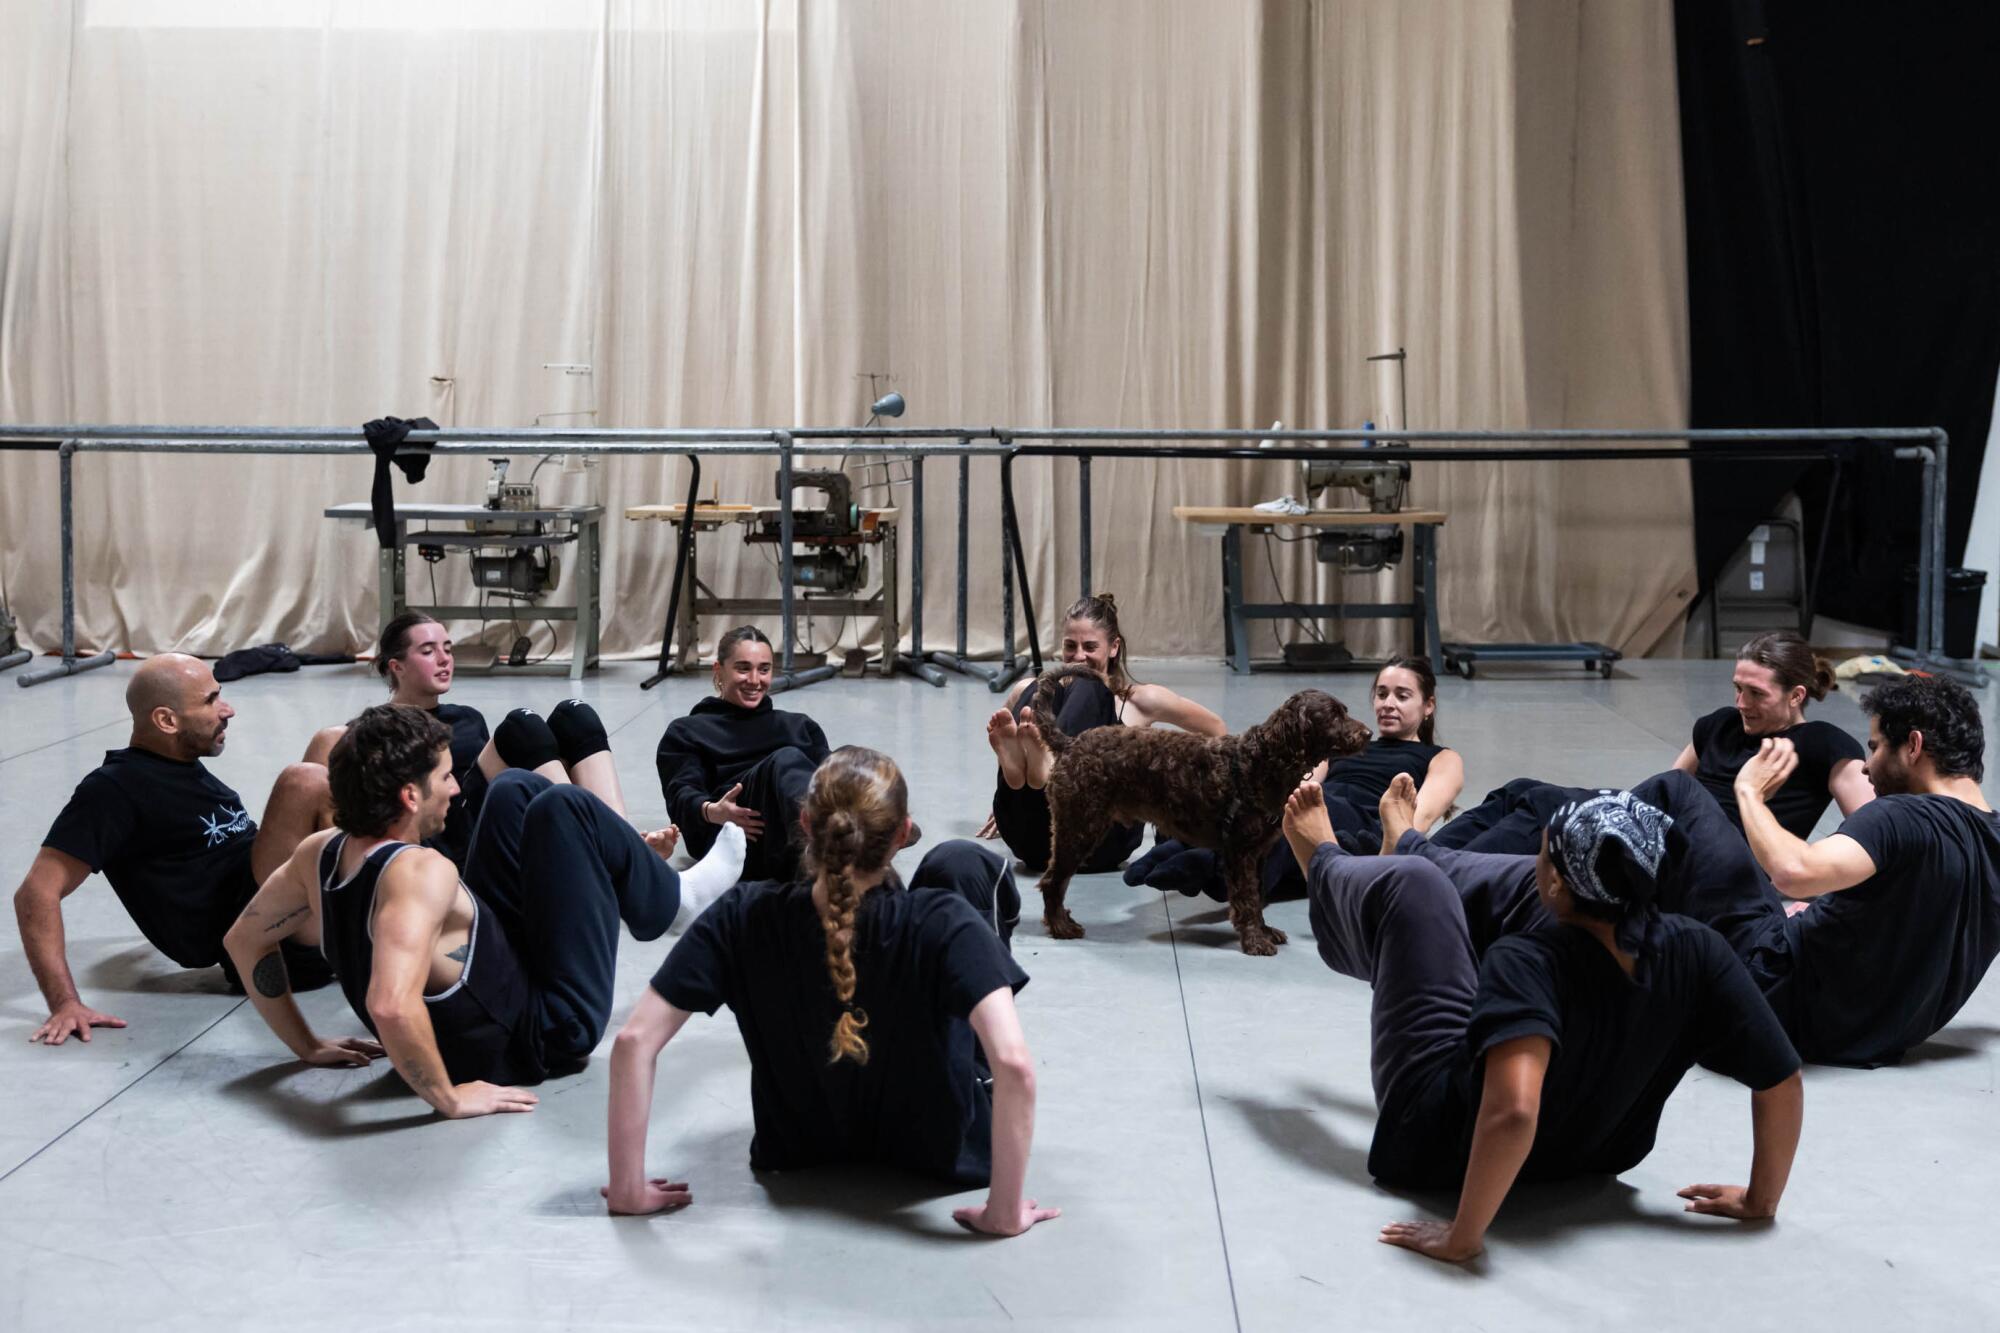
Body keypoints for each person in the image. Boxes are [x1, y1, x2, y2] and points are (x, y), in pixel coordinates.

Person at [1285, 777, 1802, 1264]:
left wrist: (1463, 1237)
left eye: (1542, 851)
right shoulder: (1699, 948)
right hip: (1599, 1151)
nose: (1538, 859)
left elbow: (1513, 1111)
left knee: (1414, 888)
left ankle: (1328, 867)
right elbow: (1781, 1078)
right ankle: (1413, 848)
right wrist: (1761, 1200)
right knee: (1509, 888)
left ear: (1556, 878)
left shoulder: (1526, 961)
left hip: (1433, 1150)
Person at [606, 747, 1057, 1238]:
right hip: (940, 1154)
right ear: (903, 834)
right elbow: (1013, 1065)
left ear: (804, 824)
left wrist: (628, 1186)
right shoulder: (942, 922)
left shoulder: (744, 914)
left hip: (797, 1147)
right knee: (962, 861)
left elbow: (633, 1043)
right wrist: (1004, 1212)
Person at [222, 704, 744, 1116]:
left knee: (515, 786)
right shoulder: (419, 875)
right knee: (570, 805)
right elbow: (388, 1003)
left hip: (494, 980)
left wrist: (308, 1046)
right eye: (446, 777)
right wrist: (447, 1097)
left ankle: (656, 891)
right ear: (409, 795)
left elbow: (243, 941)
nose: (455, 787)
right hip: (544, 1032)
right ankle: (673, 903)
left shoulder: (321, 851)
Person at [15, 654, 343, 1044]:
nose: (228, 710)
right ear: (167, 721)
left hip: (273, 899)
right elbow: (35, 893)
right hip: (268, 945)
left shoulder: (177, 764)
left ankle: (383, 898)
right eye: (210, 701)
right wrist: (64, 1003)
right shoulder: (113, 790)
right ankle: (376, 913)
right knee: (303, 781)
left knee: (334, 740)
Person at [1730, 674, 2000, 1066]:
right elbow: (1912, 916)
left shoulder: (1900, 815)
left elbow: (1792, 873)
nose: (1867, 768)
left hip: (1771, 1000)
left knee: (1677, 794)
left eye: (1874, 748)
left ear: (1913, 745)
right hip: (1873, 1038)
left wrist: (1749, 792)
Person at [1433, 631, 1868, 853]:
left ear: (1796, 696)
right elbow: (1666, 787)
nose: (1742, 702)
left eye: (1757, 694)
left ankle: (1438, 878)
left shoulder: (1822, 743)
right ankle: (1422, 860)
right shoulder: (1720, 723)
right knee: (1522, 792)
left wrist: (1807, 880)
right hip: (1663, 828)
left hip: (1716, 853)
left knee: (1549, 815)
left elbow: (1875, 826)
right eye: (1738, 688)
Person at [1127, 656, 1463, 897]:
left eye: (1402, 696)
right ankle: (1187, 845)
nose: (1388, 703)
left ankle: (1209, 867)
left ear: (1428, 705)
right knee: (1273, 804)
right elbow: (1306, 781)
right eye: (1381, 693)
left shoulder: (1440, 757)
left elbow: (1419, 819)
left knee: (1299, 817)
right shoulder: (1346, 744)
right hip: (1321, 804)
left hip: (1364, 819)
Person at [363, 612, 632, 866]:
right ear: (397, 667)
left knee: (574, 715)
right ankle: (608, 845)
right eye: (428, 651)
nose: (444, 659)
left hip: (490, 821)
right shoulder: (379, 729)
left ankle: (626, 841)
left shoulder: (468, 718)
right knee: (520, 725)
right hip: (446, 839)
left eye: (447, 648)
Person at [983, 593, 1225, 872]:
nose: (1078, 656)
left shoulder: (1141, 701)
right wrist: (1012, 798)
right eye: (1070, 646)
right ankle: (1029, 780)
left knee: (1090, 684)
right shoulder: (1033, 694)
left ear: (1113, 647)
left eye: (1090, 647)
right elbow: (1007, 733)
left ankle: (1048, 764)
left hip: (1100, 839)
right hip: (1033, 842)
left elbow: (1215, 729)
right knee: (1034, 686)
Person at [656, 626, 832, 884]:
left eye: (764, 669)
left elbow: (834, 778)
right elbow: (681, 793)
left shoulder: (800, 727)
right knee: (786, 760)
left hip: (792, 834)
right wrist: (712, 811)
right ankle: (838, 839)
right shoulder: (686, 731)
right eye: (742, 668)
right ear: (718, 670)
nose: (754, 679)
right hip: (731, 836)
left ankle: (860, 826)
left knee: (851, 759)